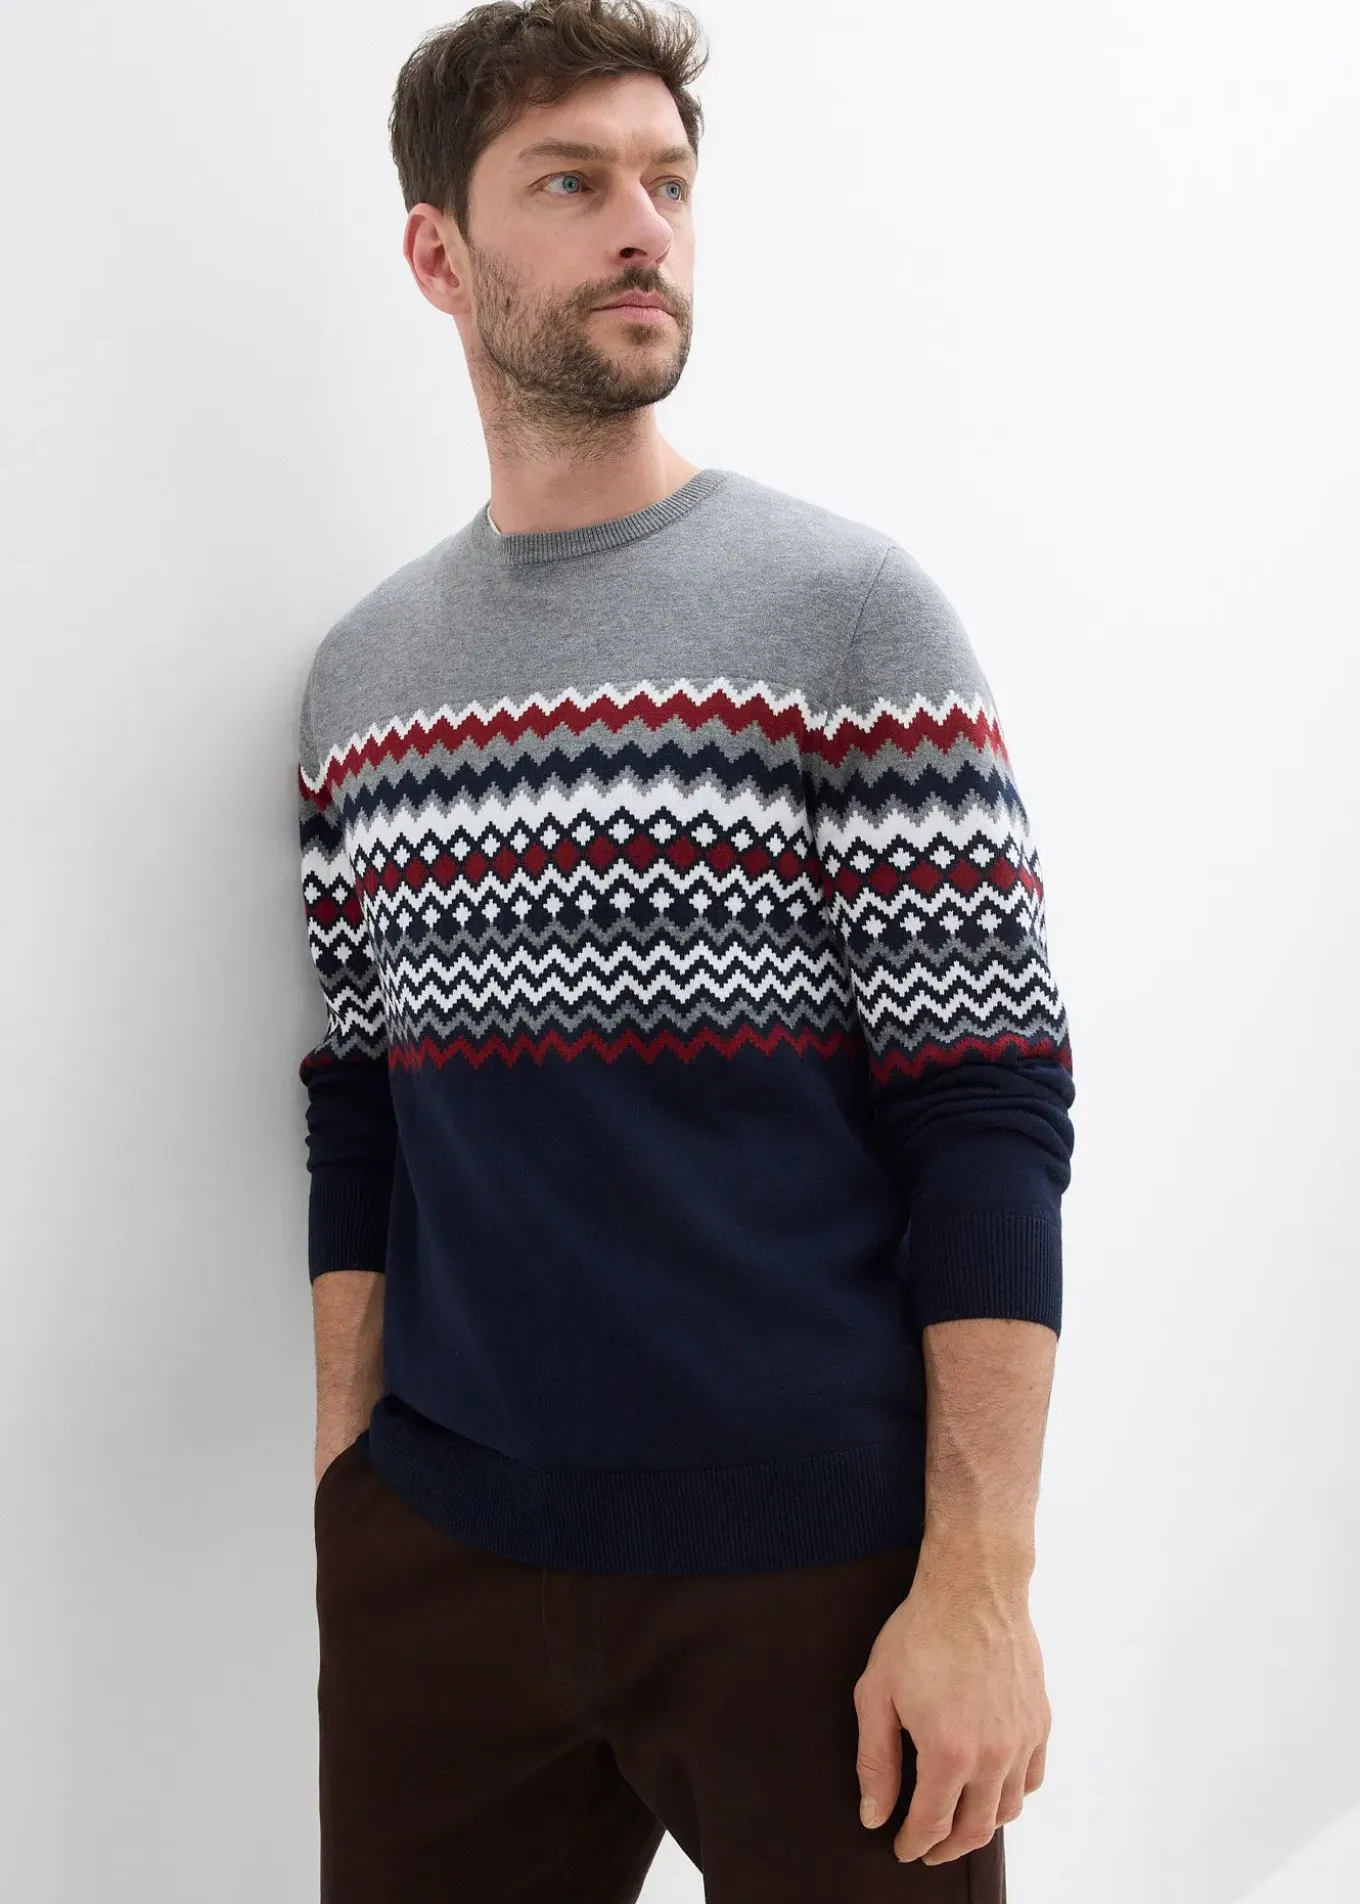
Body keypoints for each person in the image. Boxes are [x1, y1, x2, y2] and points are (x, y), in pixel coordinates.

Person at [296, 3, 1075, 1897]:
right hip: (443, 1571)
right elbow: (361, 1104)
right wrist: (347, 1484)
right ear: (439, 256)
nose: (643, 227)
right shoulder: (363, 682)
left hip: (813, 1583)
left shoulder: (846, 615)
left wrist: (978, 1584)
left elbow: (987, 1106)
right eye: (570, 184)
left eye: (666, 181)